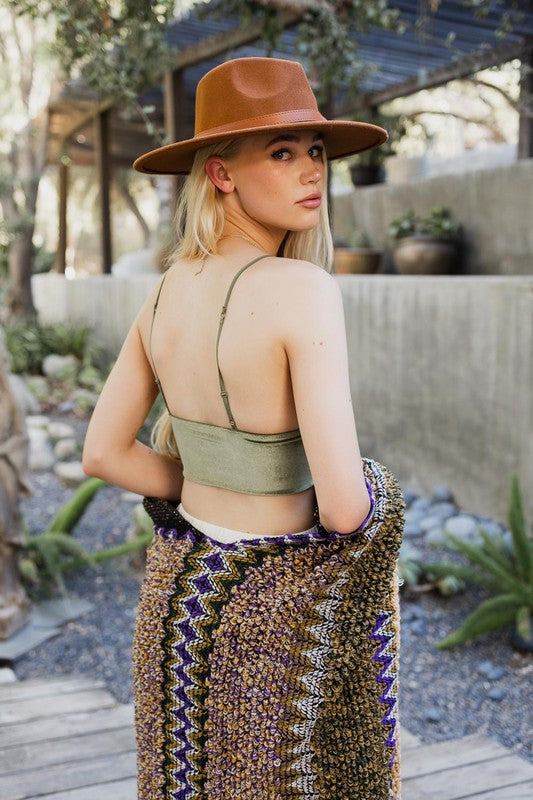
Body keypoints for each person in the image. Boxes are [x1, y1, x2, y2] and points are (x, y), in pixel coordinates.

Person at [83, 57, 404, 800]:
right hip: (279, 623)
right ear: (222, 175)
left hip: (178, 598)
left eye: (315, 151)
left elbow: (102, 452)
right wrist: (382, 490)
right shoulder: (303, 290)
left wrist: (203, 481)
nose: (310, 172)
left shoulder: (165, 290)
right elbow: (343, 509)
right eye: (282, 152)